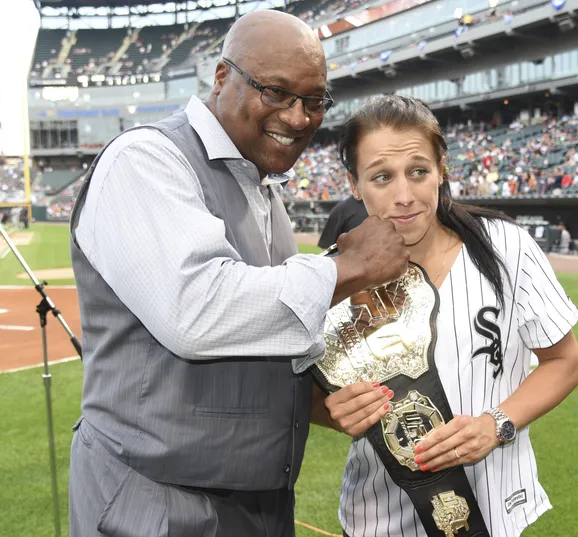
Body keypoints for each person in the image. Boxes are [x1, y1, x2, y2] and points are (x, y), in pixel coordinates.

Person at [67, 11, 408, 537]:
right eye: (276, 92)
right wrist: (348, 268)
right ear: (222, 78)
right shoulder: (145, 158)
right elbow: (197, 308)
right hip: (157, 501)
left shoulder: (261, 184)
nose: (297, 117)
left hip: (257, 499)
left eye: (314, 101)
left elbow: (265, 331)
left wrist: (327, 392)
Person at [313, 95, 578, 537]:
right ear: (354, 184)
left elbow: (565, 362)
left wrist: (494, 425)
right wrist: (328, 411)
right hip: (379, 519)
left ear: (442, 168)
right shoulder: (328, 278)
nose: (404, 196)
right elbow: (299, 395)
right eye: (382, 177)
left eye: (418, 171)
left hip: (493, 513)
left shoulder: (505, 247)